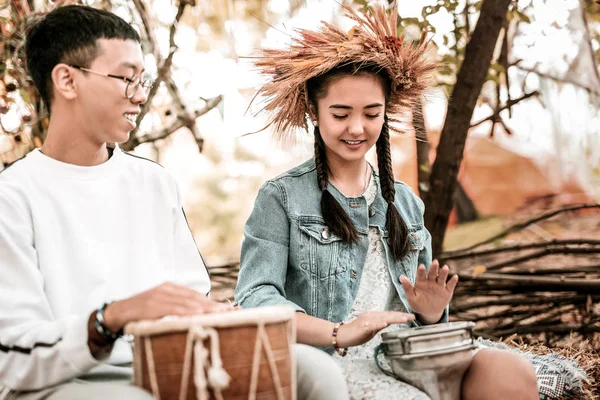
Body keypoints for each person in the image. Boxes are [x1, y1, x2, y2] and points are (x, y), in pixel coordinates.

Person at [0, 5, 347, 399]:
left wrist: (216, 314)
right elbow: (14, 354)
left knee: (314, 372)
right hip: (63, 385)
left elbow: (190, 295)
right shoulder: (12, 198)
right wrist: (110, 318)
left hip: (163, 364)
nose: (140, 95)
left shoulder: (152, 182)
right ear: (66, 80)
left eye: (143, 80)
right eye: (127, 79)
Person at [235, 3, 539, 400]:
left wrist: (430, 312)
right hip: (332, 360)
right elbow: (256, 298)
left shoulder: (407, 204)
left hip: (407, 354)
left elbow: (424, 318)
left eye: (371, 113)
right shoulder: (282, 198)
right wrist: (339, 333)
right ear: (314, 110)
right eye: (340, 113)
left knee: (510, 371)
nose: (357, 128)